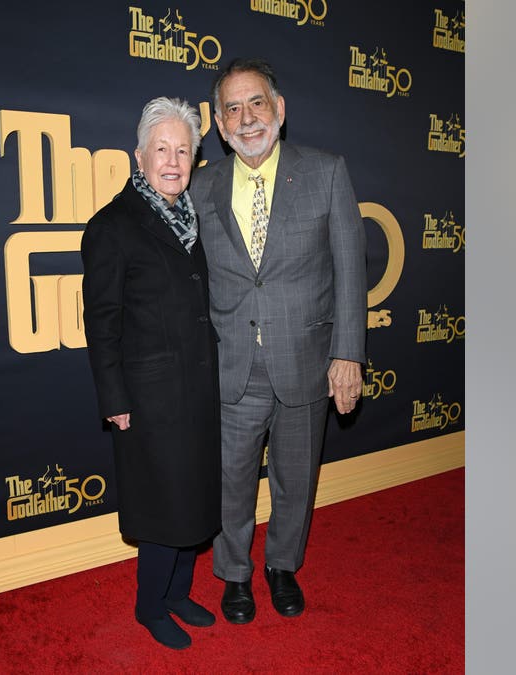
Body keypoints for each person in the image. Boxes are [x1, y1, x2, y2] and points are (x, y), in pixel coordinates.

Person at [188, 58, 367, 624]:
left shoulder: (326, 172)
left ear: (280, 109)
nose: (246, 119)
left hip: (306, 361)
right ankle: (235, 573)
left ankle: (282, 565)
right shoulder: (200, 185)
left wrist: (347, 353)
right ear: (217, 124)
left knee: (296, 477)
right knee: (232, 481)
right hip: (232, 364)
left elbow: (350, 269)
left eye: (256, 103)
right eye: (233, 109)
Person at [80, 97, 221, 650]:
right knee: (164, 505)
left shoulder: (194, 220)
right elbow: (102, 323)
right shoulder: (112, 227)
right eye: (161, 148)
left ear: (193, 158)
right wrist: (114, 397)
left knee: (195, 499)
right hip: (148, 397)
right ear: (139, 155)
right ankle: (149, 605)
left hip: (200, 388)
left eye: (182, 150)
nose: (172, 159)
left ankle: (179, 593)